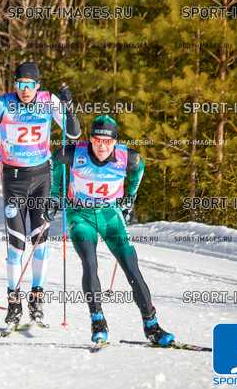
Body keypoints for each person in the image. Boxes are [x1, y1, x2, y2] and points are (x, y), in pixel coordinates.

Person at [0, 62, 80, 326]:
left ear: (37, 85)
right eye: (20, 84)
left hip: (41, 178)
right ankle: (14, 301)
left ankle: (37, 298)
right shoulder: (4, 103)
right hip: (14, 180)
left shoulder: (48, 101)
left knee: (40, 242)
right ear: (15, 84)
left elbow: (74, 133)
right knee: (16, 245)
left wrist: (68, 106)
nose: (25, 90)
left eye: (29, 85)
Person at [46, 115, 175, 346]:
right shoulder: (74, 154)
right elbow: (56, 160)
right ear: (91, 139)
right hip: (81, 214)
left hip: (110, 215)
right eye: (97, 140)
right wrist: (55, 197)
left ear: (115, 142)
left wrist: (130, 199)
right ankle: (98, 322)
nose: (102, 146)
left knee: (132, 267)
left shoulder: (128, 158)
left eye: (107, 141)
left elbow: (139, 170)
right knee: (90, 262)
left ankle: (152, 326)